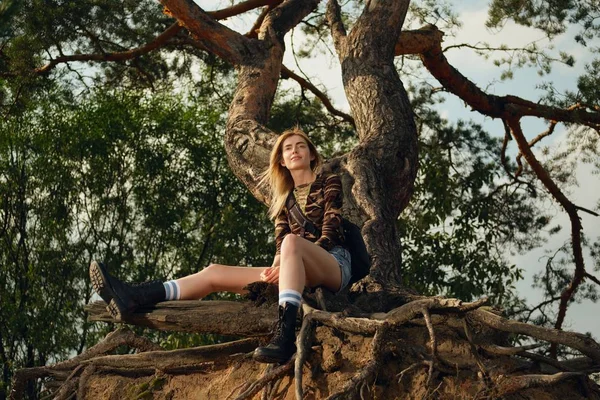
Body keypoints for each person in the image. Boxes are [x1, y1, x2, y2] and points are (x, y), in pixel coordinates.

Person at [89, 127, 352, 364]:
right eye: (288, 148)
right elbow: (280, 243)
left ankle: (283, 339)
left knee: (293, 243)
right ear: (282, 161)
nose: (295, 151)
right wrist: (277, 268)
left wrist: (287, 260)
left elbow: (330, 227)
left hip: (332, 264)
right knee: (214, 271)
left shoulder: (329, 181)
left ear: (312, 155)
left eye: (301, 146)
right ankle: (134, 296)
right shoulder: (283, 199)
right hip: (295, 269)